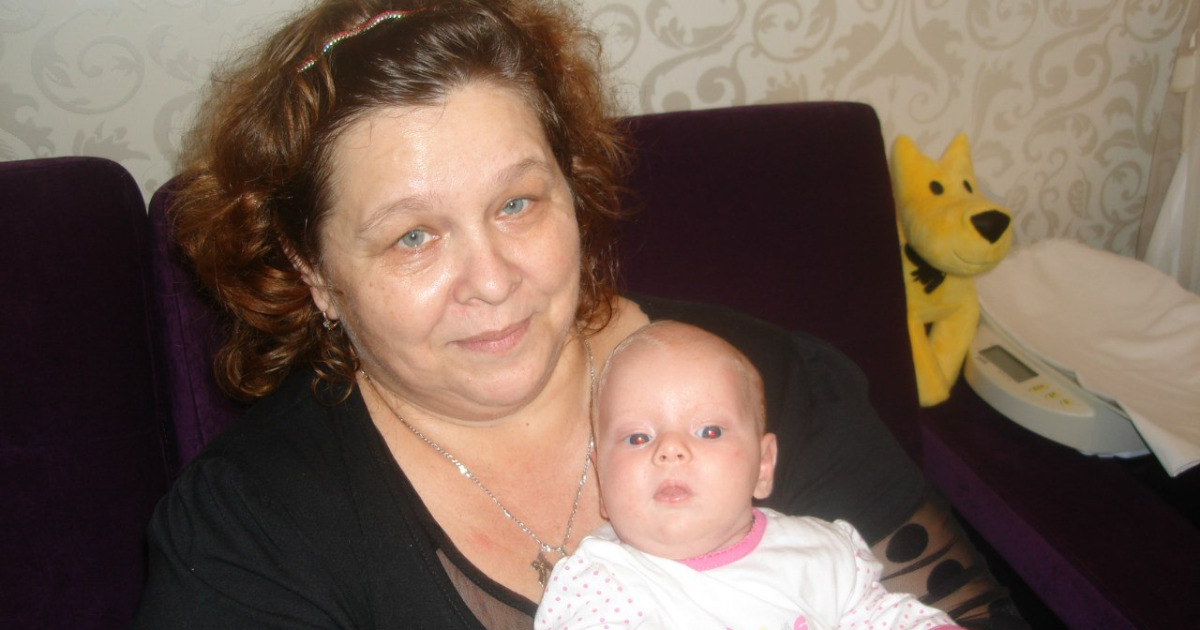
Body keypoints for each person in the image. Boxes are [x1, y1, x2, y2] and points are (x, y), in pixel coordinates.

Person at [131, 1, 1026, 628]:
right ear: (315, 272)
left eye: (518, 204)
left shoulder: (769, 384)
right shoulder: (249, 532)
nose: (492, 281)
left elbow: (964, 612)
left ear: (573, 189)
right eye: (413, 236)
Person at [535, 321, 963, 630]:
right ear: (601, 483)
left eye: (709, 431)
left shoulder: (819, 552)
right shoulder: (602, 584)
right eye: (637, 437)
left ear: (763, 465)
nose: (670, 449)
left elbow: (882, 617)